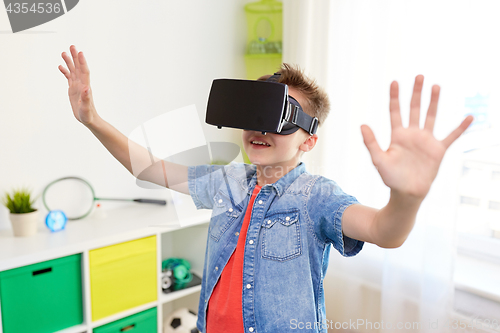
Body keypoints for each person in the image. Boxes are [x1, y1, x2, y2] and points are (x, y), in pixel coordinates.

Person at [58, 45, 473, 333]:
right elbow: (149, 166)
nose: (260, 129)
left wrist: (407, 197)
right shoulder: (227, 183)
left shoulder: (316, 197)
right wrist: (91, 118)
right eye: (254, 115)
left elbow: (386, 231)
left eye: (280, 120)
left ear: (308, 140)